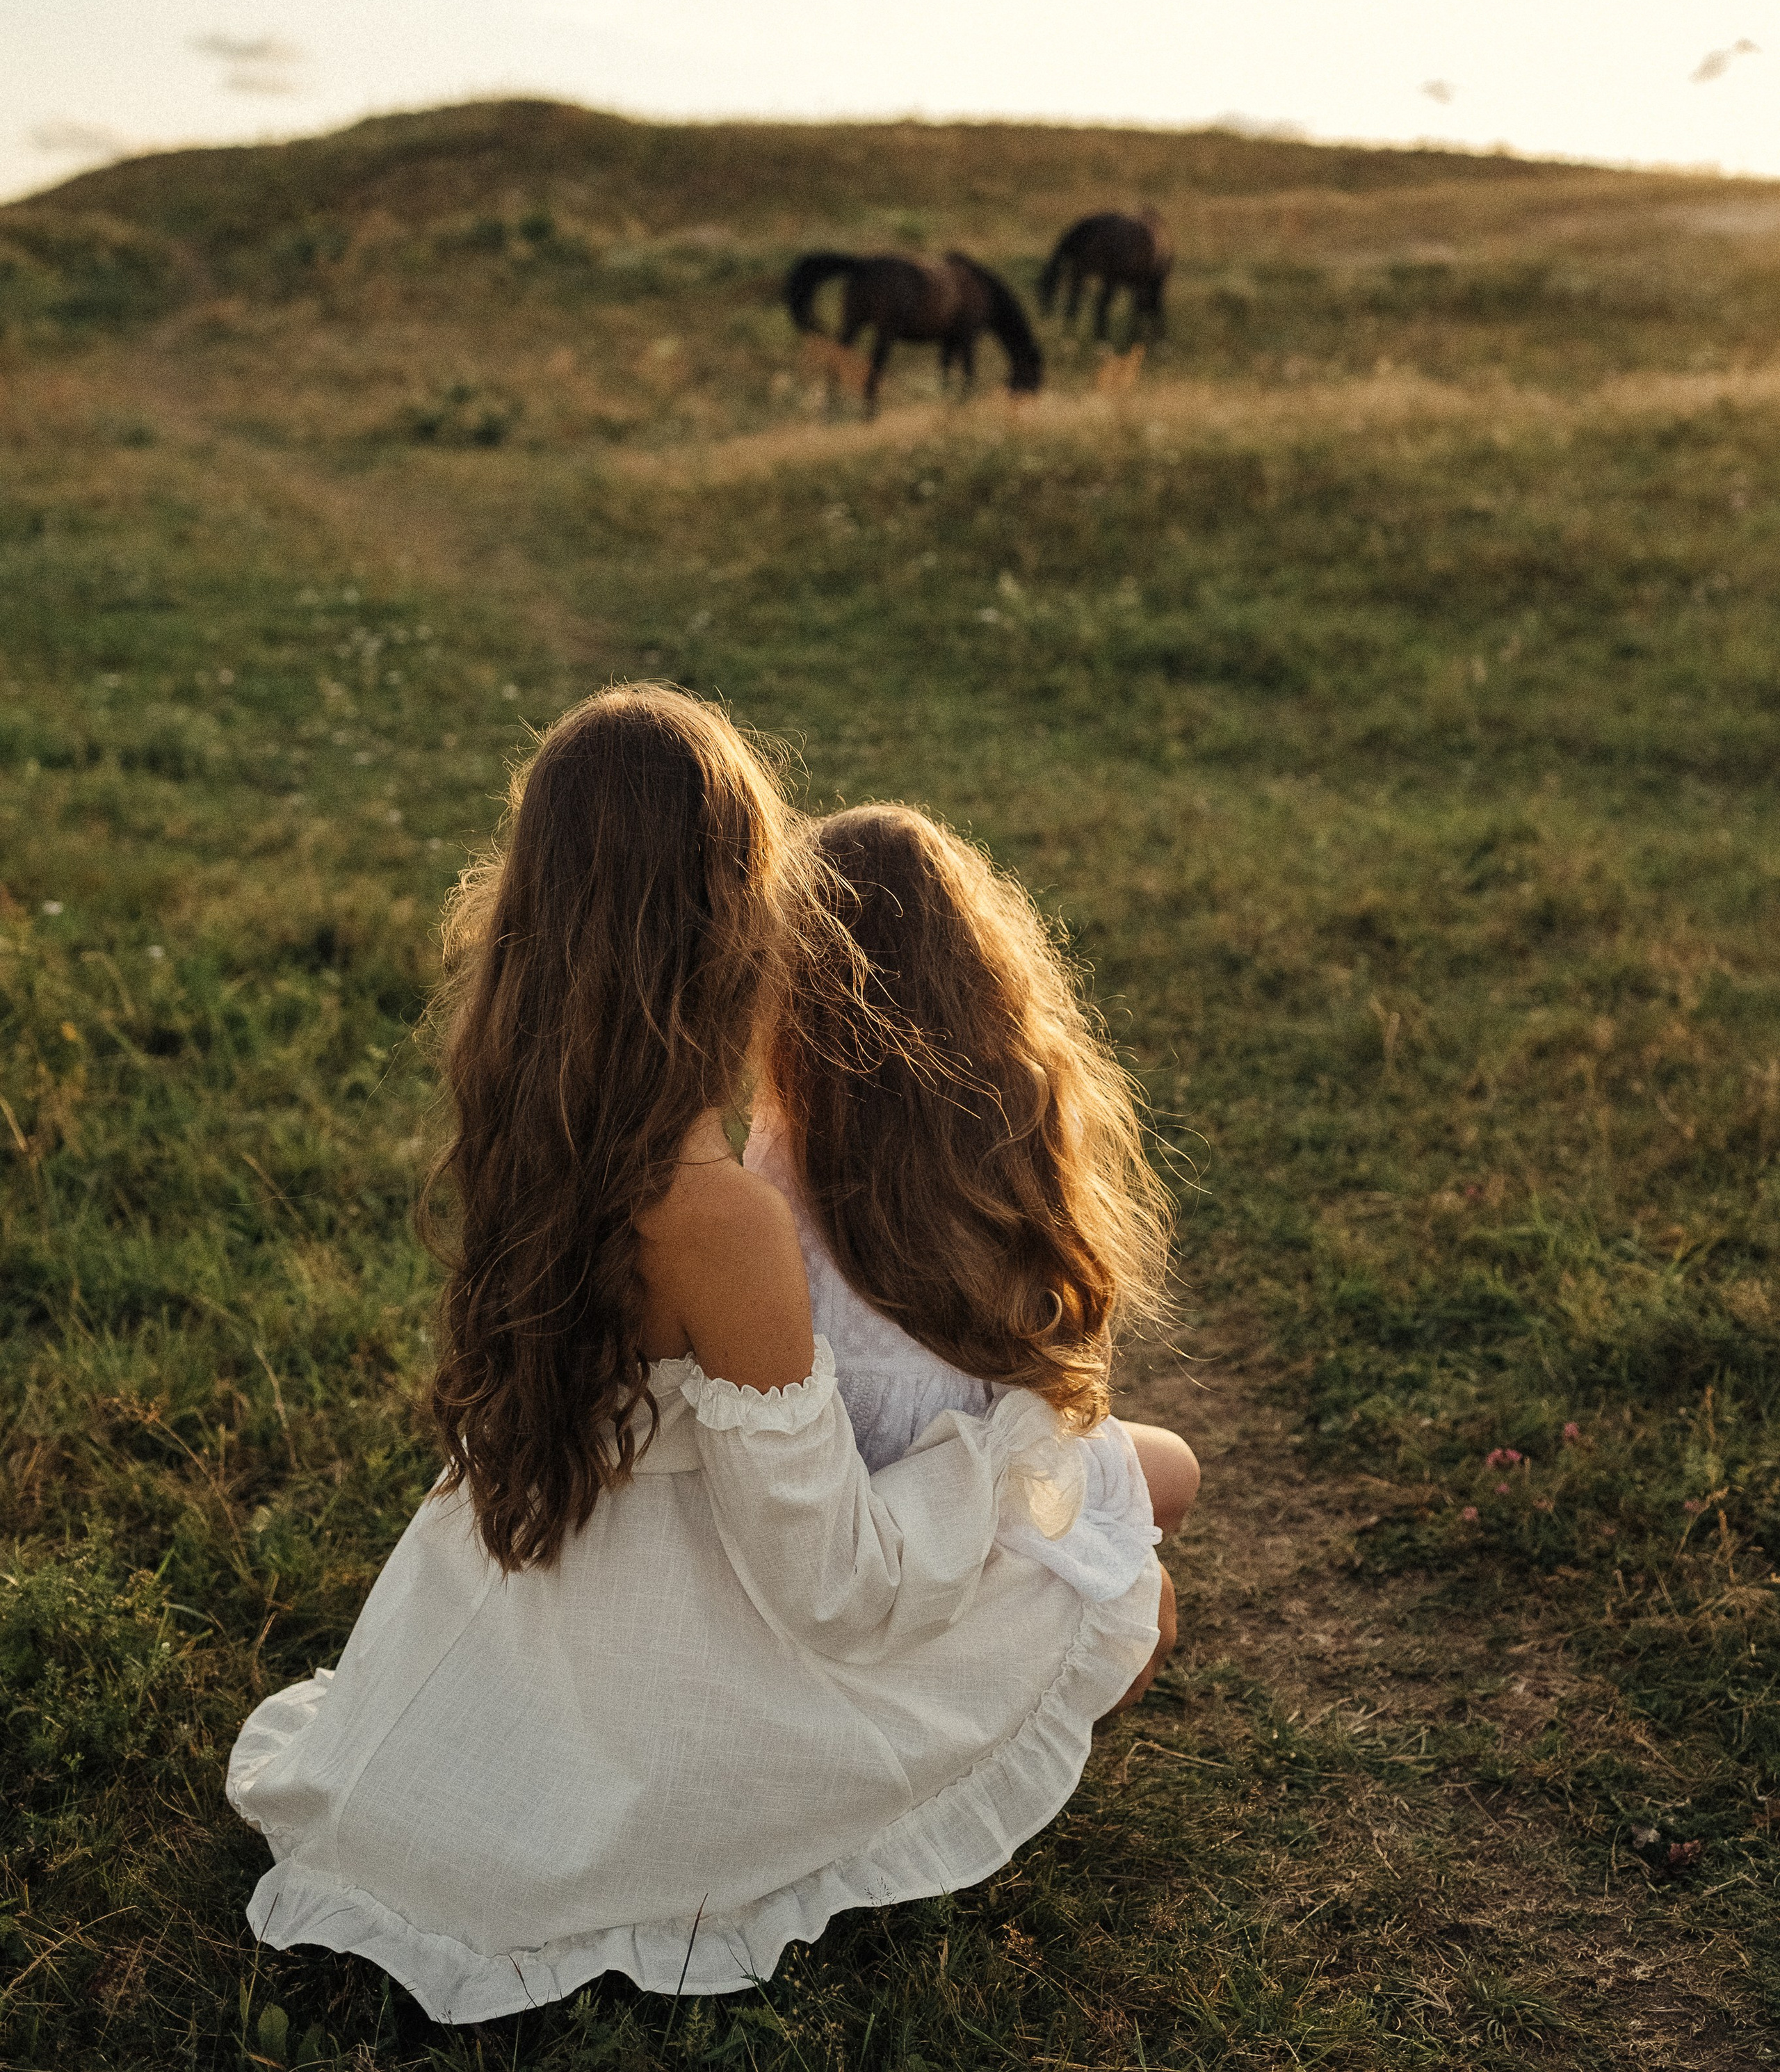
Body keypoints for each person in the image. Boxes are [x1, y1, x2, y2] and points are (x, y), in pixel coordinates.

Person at [226, 688, 1165, 2025]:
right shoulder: (719, 1217)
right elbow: (834, 1590)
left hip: (532, 1611)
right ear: (733, 929)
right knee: (1107, 1599)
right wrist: (1003, 1453)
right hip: (678, 1673)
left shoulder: (541, 1119)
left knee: (1130, 1520)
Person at [747, 801, 1199, 1703]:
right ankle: (1011, 1645)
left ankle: (1004, 1643)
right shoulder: (1020, 1120)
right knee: (1162, 1514)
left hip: (870, 1524)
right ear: (981, 972)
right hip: (955, 1520)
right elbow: (1053, 1384)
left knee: (1167, 1482)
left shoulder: (778, 1160)